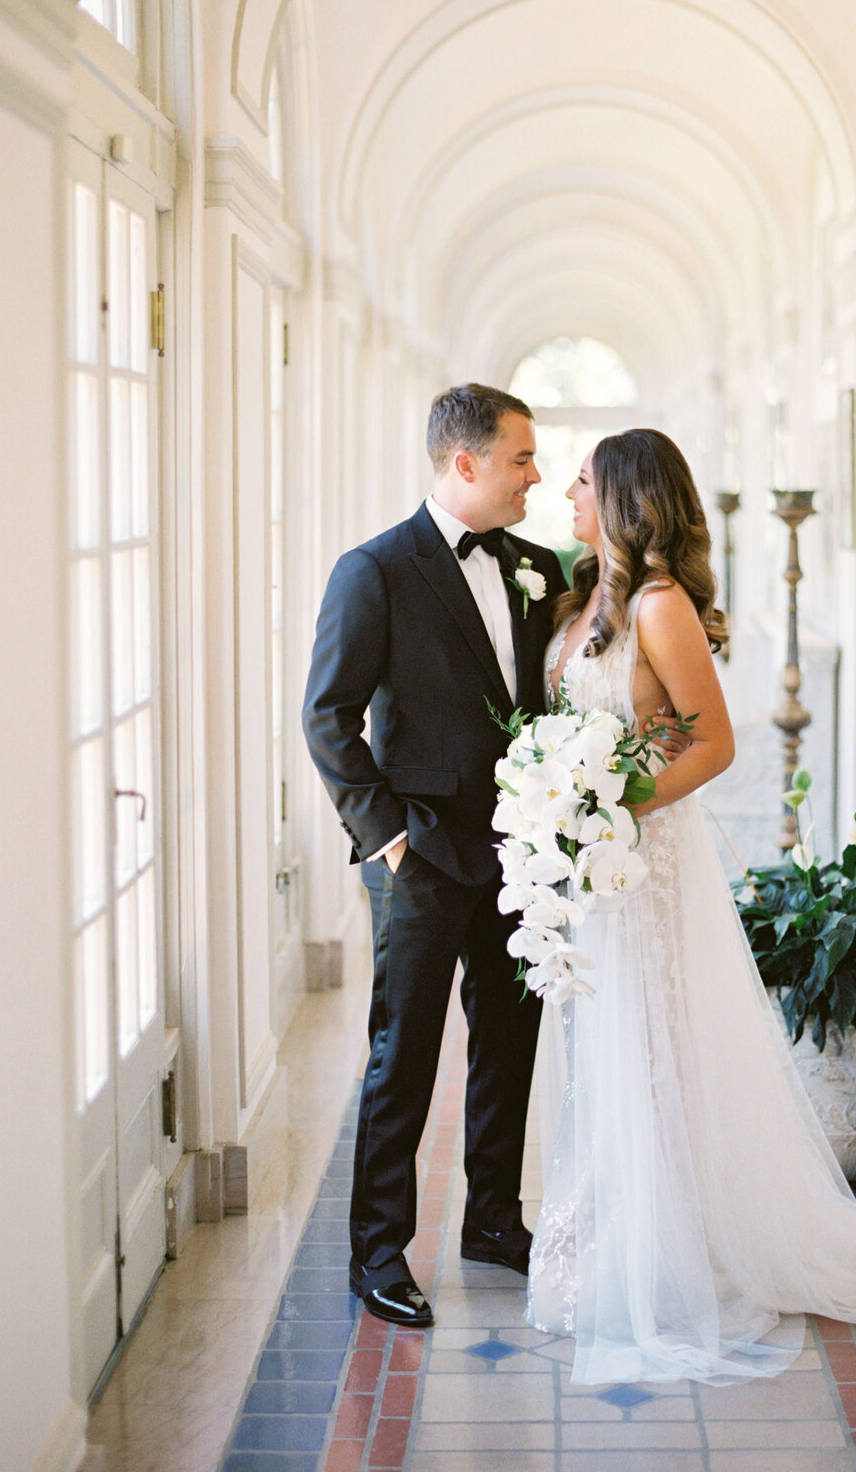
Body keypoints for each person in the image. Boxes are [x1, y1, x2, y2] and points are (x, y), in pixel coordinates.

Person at [527, 428, 856, 1384]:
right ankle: (610, 1237)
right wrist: (557, 804)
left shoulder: (661, 606)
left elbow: (712, 744)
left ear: (628, 499)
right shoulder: (587, 595)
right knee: (608, 1048)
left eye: (585, 480)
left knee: (660, 1048)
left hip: (646, 861)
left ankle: (682, 1255)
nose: (566, 490)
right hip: (594, 870)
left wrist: (609, 807)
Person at [303, 383, 568, 1327]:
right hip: (420, 853)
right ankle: (378, 1252)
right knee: (403, 1052)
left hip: (521, 850)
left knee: (509, 1038)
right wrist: (388, 836)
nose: (535, 474)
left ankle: (495, 1218)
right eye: (521, 458)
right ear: (466, 463)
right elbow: (326, 716)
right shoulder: (373, 569)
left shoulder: (538, 566)